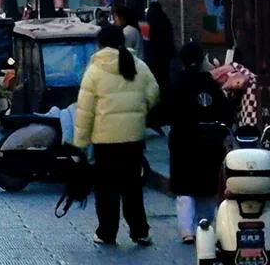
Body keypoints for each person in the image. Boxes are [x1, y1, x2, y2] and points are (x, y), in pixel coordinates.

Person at [74, 22, 160, 246]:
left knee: (106, 190)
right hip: (133, 139)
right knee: (133, 187)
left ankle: (106, 232)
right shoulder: (138, 64)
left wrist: (80, 144)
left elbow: (85, 111)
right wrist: (139, 110)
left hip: (105, 142)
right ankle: (140, 231)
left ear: (100, 44)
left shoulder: (94, 70)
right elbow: (154, 91)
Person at [169, 41, 231, 244]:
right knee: (207, 187)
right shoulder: (211, 84)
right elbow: (226, 112)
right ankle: (205, 226)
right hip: (210, 144)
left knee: (184, 189)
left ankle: (187, 230)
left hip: (183, 142)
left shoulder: (177, 84)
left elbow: (166, 110)